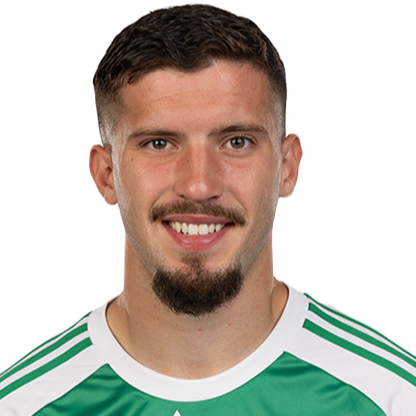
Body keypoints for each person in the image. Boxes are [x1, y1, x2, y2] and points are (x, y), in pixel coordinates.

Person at [1, 3, 415, 415]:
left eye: (236, 142)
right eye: (159, 143)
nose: (199, 185)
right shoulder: (22, 406)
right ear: (106, 174)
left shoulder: (392, 398)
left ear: (287, 168)